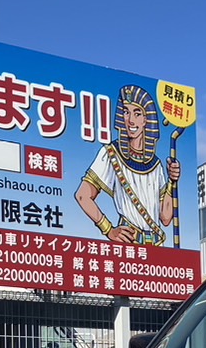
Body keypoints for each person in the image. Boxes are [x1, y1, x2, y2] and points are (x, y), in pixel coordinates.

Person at [75, 84, 182, 245]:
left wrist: (172, 182)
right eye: (126, 112)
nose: (130, 120)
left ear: (146, 119)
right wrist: (108, 229)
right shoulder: (111, 153)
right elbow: (82, 195)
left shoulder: (156, 165)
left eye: (137, 113)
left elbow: (166, 218)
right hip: (128, 244)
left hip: (156, 247)